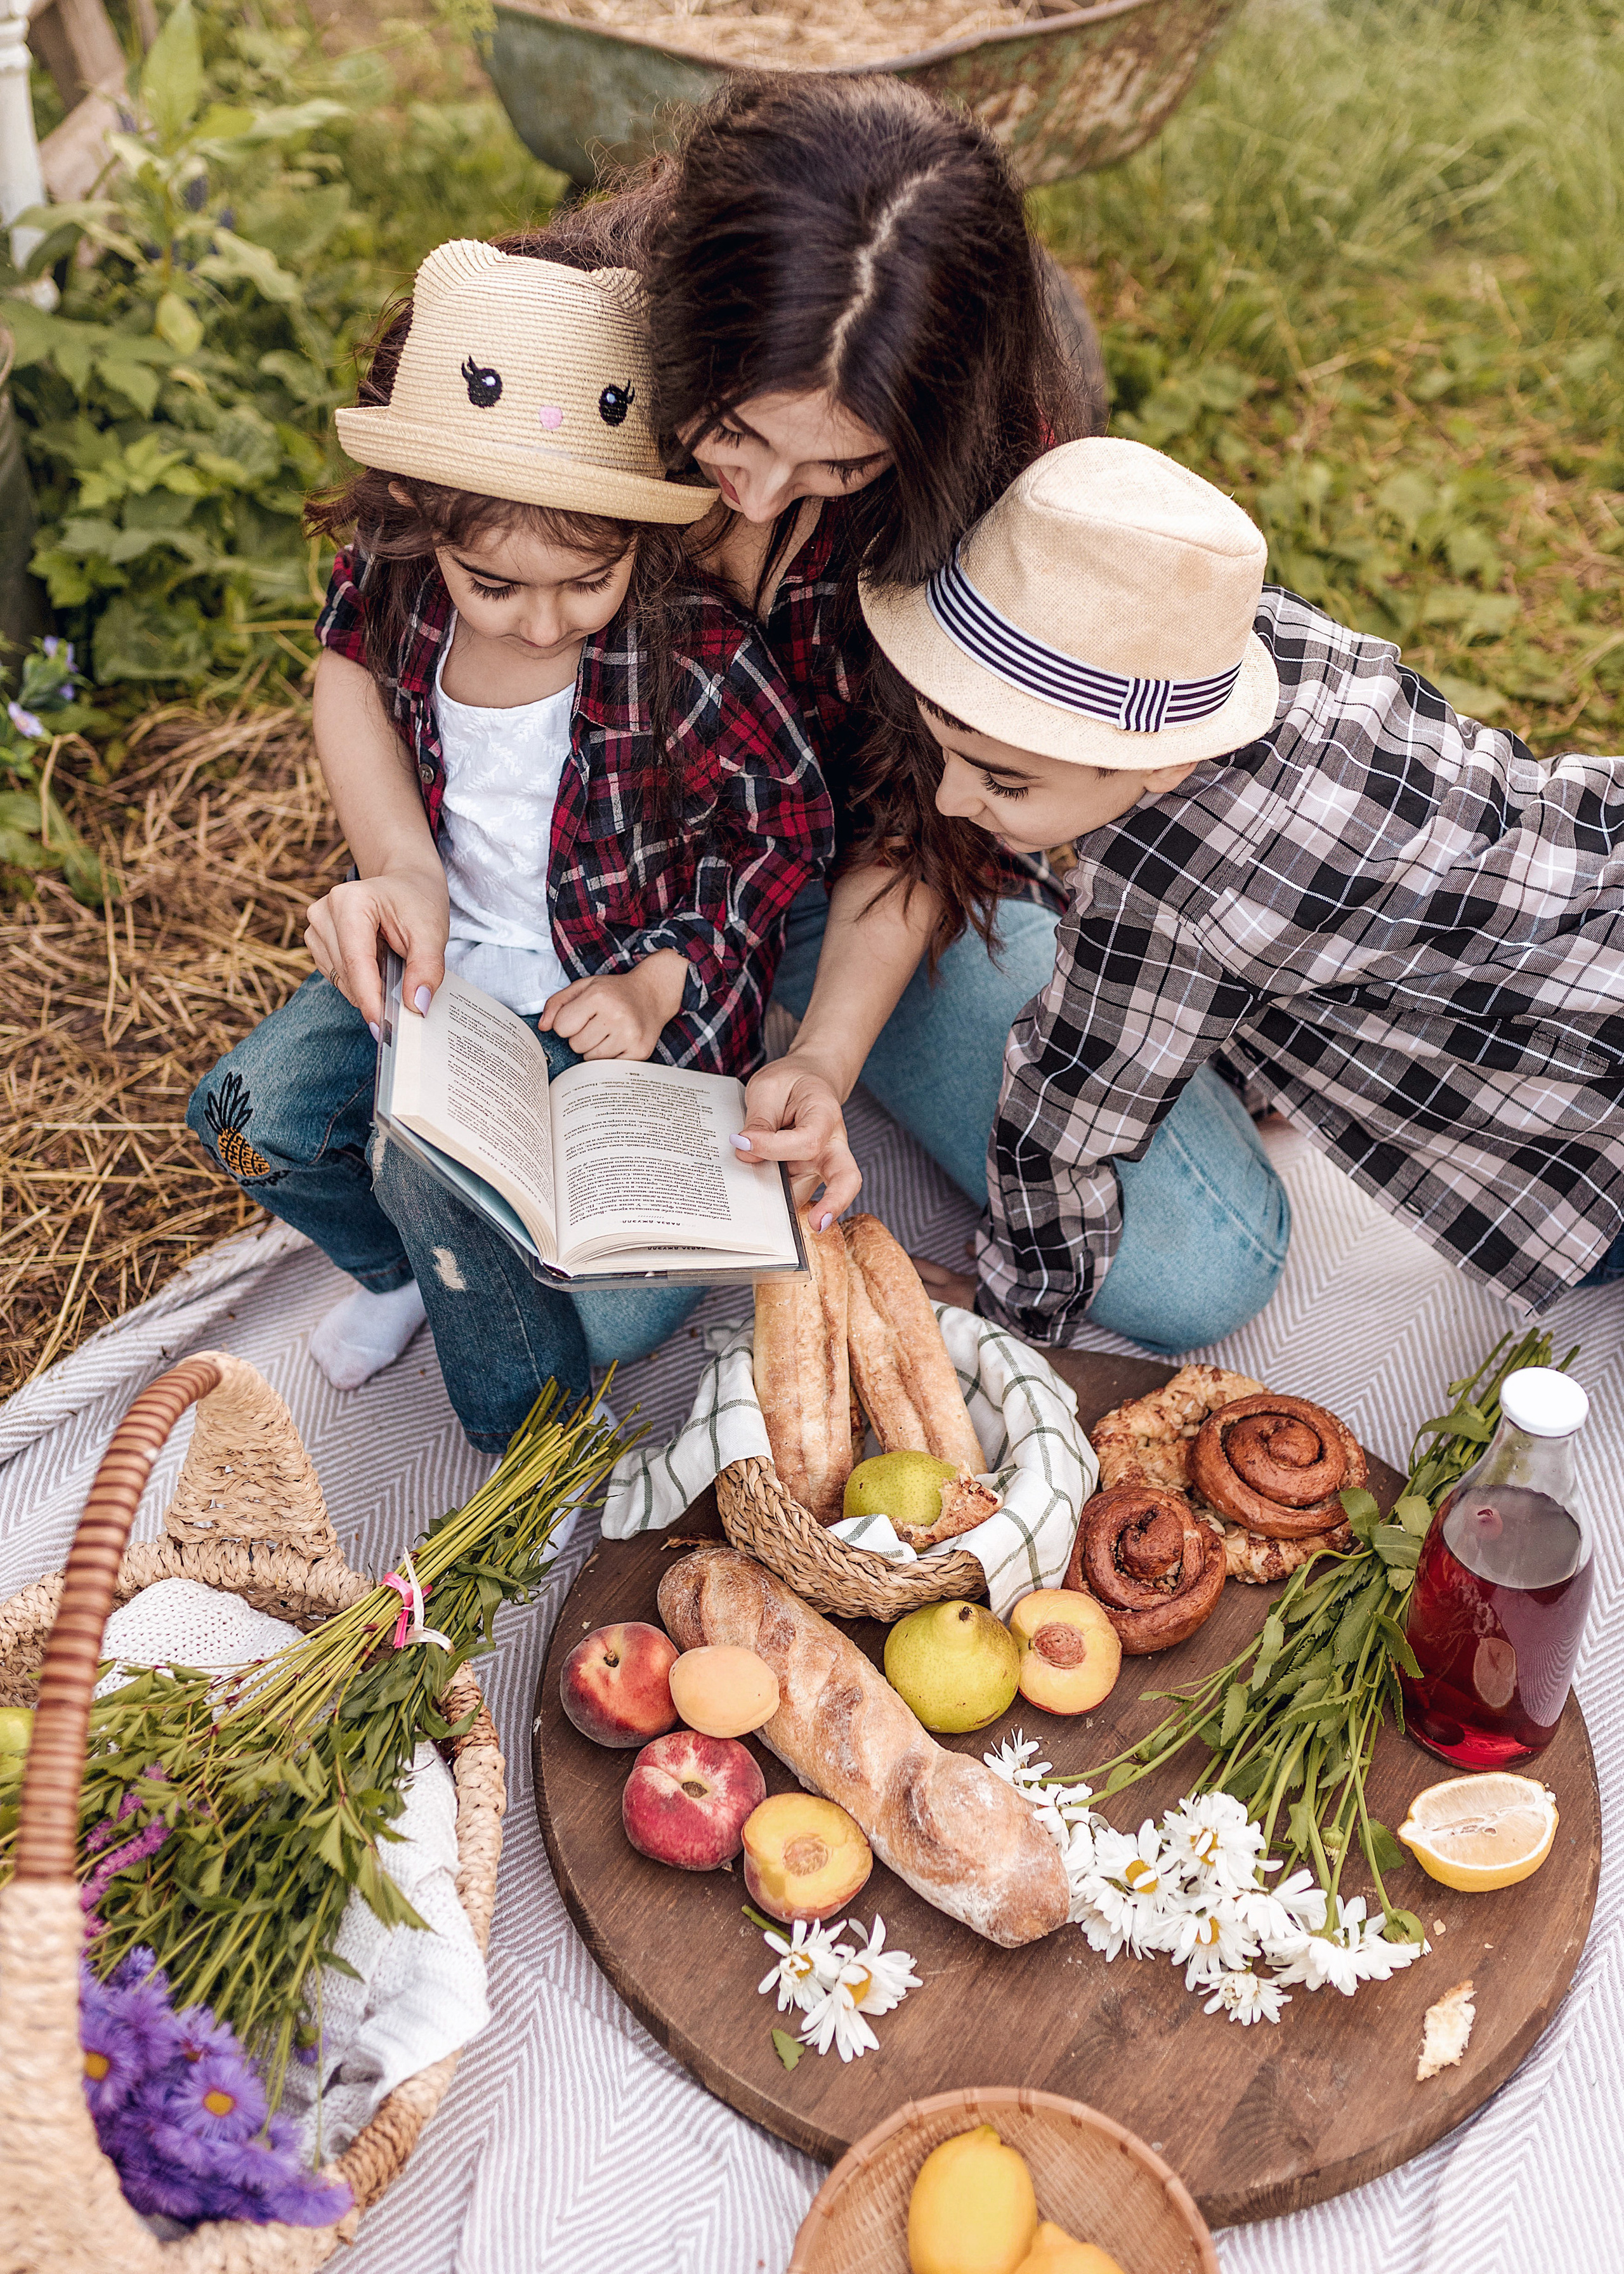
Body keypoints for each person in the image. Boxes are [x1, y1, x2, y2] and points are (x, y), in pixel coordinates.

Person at [324, 74, 1288, 1351]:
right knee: (586, 1306)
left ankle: (1148, 1020)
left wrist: (823, 1060)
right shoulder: (547, 349)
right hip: (600, 902)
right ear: (678, 325)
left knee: (1200, 1272)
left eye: (840, 465)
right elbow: (370, 615)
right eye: (727, 432)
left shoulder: (977, 486)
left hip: (840, 887)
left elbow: (917, 818)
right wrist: (398, 862)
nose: (769, 496)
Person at [186, 240, 833, 1449]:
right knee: (243, 1112)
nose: (542, 623)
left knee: (476, 1201)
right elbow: (344, 676)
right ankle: (400, 1274)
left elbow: (779, 830)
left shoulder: (683, 648)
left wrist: (659, 979)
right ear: (422, 523)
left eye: (587, 581)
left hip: (615, 991)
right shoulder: (399, 585)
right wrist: (400, 867)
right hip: (448, 966)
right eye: (496, 588)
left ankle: (518, 1439)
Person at [859, 436, 1624, 1349]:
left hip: (1580, 1140)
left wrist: (1017, 1306)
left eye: (1006, 781)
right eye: (946, 746)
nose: (950, 799)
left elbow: (1065, 1119)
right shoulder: (1250, 639)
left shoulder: (1172, 891)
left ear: (1164, 758)